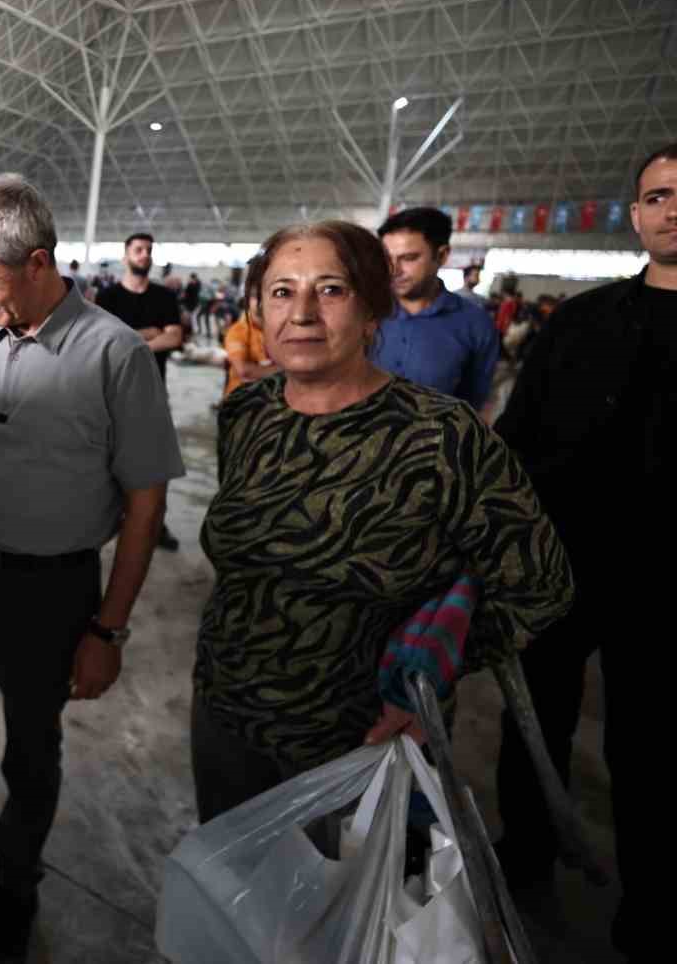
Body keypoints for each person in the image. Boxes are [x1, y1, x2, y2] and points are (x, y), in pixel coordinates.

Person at [195, 220, 571, 825]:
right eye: (282, 292)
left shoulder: (440, 434)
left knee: (338, 911)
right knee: (232, 901)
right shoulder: (247, 412)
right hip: (225, 715)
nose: (304, 313)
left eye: (332, 290)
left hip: (358, 737)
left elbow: (540, 585)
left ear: (373, 312)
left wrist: (432, 675)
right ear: (257, 311)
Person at [0, 175, 182, 964]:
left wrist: (108, 627)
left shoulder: (113, 354)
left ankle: (17, 886)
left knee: (31, 747)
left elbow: (145, 504)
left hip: (47, 590)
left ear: (37, 261)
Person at [492, 143, 677, 963]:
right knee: (533, 719)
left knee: (652, 743)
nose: (672, 207)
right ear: (635, 215)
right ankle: (523, 853)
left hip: (666, 588)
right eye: (658, 195)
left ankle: (653, 902)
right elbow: (517, 440)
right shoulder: (582, 321)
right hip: (561, 567)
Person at [95, 233, 184, 552]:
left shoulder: (164, 296)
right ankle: (108, 518)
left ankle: (153, 523)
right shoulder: (107, 297)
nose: (144, 255)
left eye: (149, 250)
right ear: (125, 256)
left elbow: (174, 338)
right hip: (111, 390)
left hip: (152, 390)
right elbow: (102, 343)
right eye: (138, 250)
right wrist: (150, 334)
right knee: (106, 460)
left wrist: (129, 339)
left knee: (153, 464)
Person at [375, 207, 502, 411]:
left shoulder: (476, 326)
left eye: (409, 258)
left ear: (442, 256)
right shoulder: (366, 313)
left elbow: (472, 405)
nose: (394, 270)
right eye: (387, 258)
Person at [220, 287, 276, 398]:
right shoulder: (237, 331)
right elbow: (245, 371)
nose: (261, 302)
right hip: (242, 402)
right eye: (256, 297)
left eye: (265, 296)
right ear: (247, 301)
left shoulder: (281, 329)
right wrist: (288, 371)